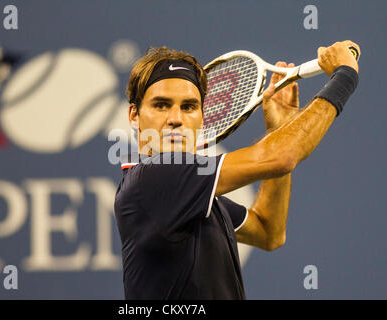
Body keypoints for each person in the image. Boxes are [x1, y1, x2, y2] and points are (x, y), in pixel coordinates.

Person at [114, 41, 360, 299]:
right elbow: (282, 156)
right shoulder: (155, 178)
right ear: (134, 115)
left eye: (188, 107)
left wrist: (278, 129)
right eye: (161, 105)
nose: (176, 118)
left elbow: (269, 232)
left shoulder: (190, 195)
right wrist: (344, 76)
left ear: (202, 116)